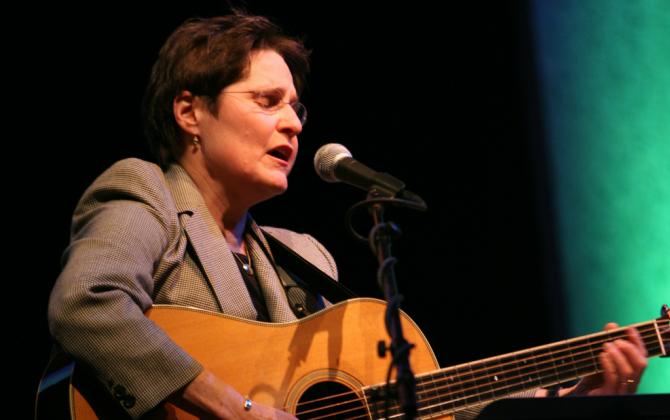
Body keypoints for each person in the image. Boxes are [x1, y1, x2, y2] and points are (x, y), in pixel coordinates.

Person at [47, 11, 648, 420]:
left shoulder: (303, 256)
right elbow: (87, 303)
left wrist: (574, 394)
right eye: (266, 101)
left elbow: (392, 398)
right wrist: (236, 409)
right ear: (189, 112)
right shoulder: (146, 193)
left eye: (296, 107)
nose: (293, 122)